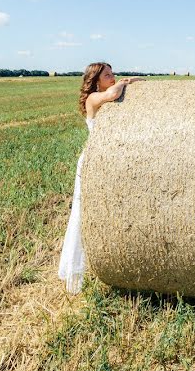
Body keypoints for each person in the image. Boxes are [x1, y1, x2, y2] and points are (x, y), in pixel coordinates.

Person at [58, 62, 144, 294]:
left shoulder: (106, 95)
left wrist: (136, 82)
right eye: (108, 75)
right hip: (93, 163)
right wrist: (125, 83)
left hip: (108, 161)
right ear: (96, 80)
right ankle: (74, 273)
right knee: (82, 214)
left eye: (113, 73)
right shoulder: (94, 99)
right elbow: (114, 92)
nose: (113, 77)